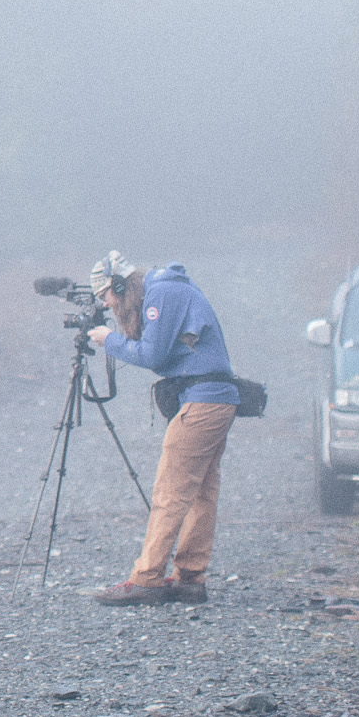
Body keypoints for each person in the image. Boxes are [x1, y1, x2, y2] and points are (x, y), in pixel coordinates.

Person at [85, 251, 238, 606]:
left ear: (121, 285)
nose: (108, 305)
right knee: (201, 491)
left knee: (170, 491)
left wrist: (109, 339)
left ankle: (147, 578)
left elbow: (152, 355)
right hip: (214, 398)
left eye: (107, 296)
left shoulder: (162, 294)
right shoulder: (168, 290)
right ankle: (189, 577)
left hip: (203, 402)